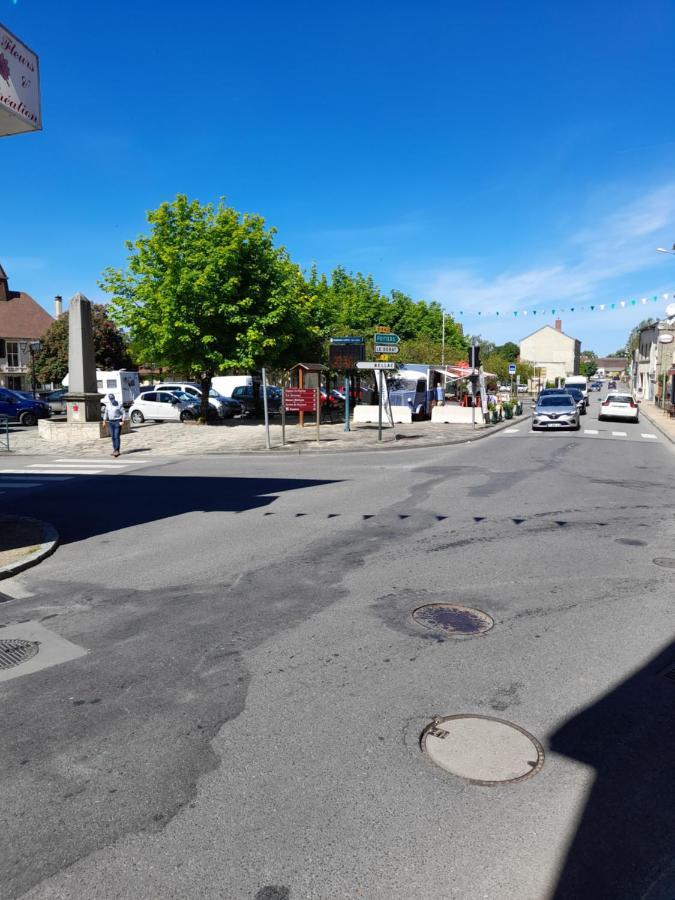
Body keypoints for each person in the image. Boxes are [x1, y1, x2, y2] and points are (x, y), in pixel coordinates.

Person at [102, 393, 126, 457]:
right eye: (110, 399)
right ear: (109, 399)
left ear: (114, 398)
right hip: (111, 422)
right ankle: (115, 449)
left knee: (116, 436)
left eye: (112, 398)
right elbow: (105, 413)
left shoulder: (119, 404)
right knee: (112, 437)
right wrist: (104, 421)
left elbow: (123, 413)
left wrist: (123, 420)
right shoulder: (108, 405)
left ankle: (117, 450)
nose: (111, 400)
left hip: (117, 421)